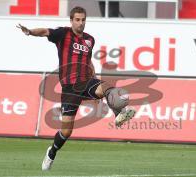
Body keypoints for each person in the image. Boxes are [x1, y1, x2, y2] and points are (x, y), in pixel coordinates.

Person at [17, 6, 135, 171]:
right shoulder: (63, 34)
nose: (81, 23)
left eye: (83, 20)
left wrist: (92, 68)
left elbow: (86, 58)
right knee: (66, 131)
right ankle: (52, 152)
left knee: (107, 87)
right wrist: (29, 31)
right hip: (69, 88)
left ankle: (119, 113)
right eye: (77, 20)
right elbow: (45, 31)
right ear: (71, 20)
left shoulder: (90, 40)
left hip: (86, 81)